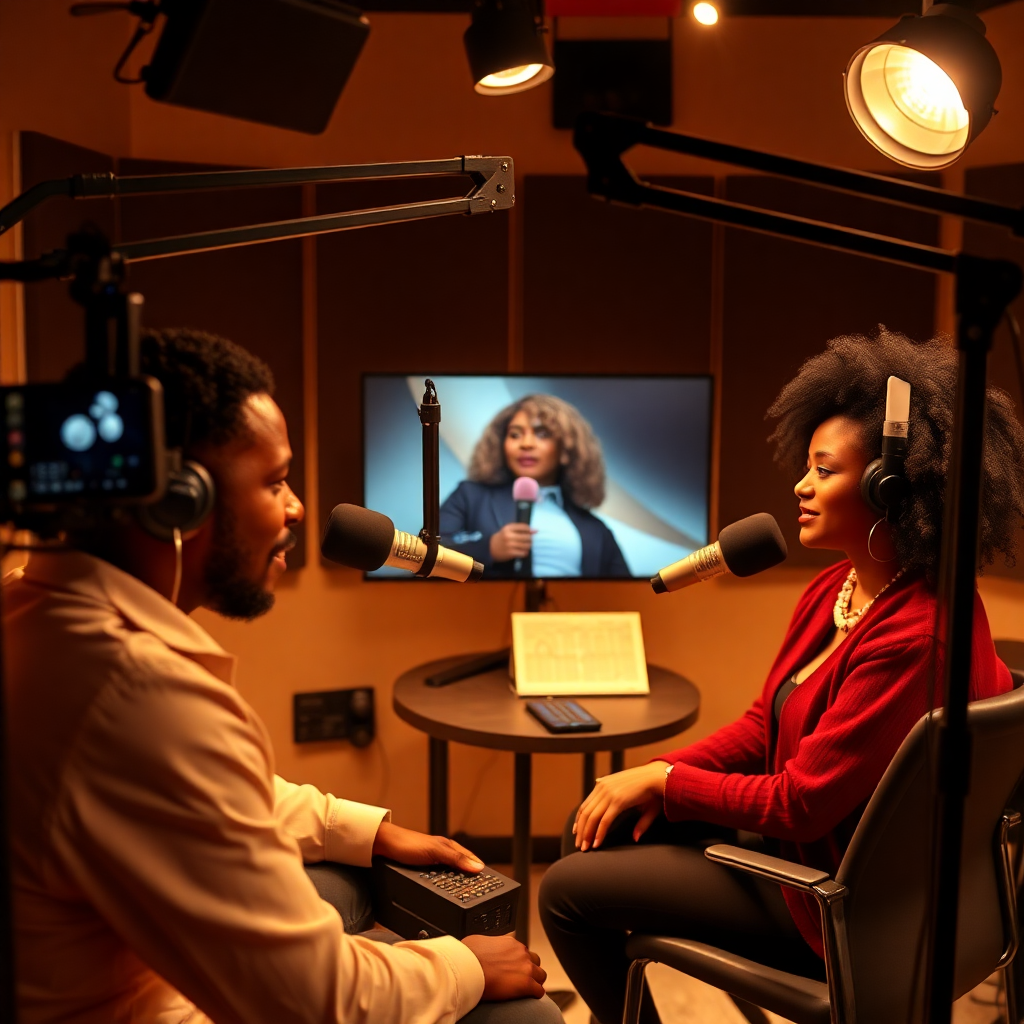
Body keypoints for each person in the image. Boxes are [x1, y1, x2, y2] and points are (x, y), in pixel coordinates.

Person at [5, 329, 560, 1024]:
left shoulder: (28, 611)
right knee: (523, 1017)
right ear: (179, 504)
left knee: (345, 874)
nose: (296, 508)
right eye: (273, 482)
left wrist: (361, 830)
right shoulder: (139, 696)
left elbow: (189, 793)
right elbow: (316, 1002)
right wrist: (465, 966)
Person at [538, 329, 1024, 1024]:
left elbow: (801, 805)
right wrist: (652, 774)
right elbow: (765, 723)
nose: (799, 485)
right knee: (602, 824)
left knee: (565, 892)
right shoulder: (839, 588)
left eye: (825, 472)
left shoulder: (919, 636)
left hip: (839, 911)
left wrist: (670, 783)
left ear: (893, 488)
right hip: (813, 860)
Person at [440, 394, 630, 579]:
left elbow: (628, 596)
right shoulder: (470, 497)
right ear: (501, 445)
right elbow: (424, 558)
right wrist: (488, 549)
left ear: (565, 450)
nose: (526, 444)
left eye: (542, 434)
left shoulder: (596, 530)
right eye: (515, 434)